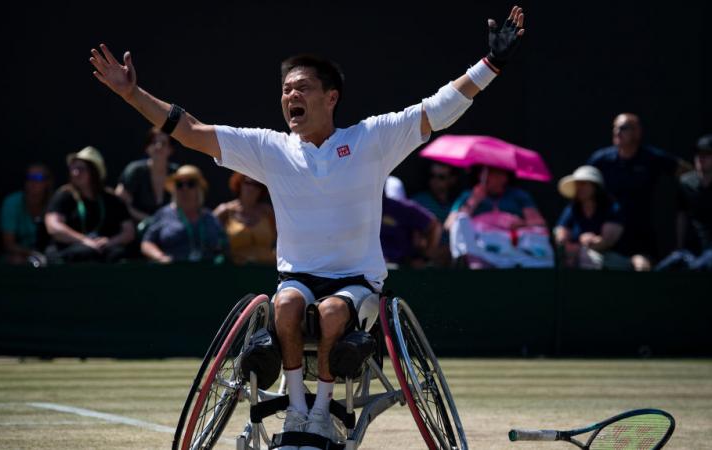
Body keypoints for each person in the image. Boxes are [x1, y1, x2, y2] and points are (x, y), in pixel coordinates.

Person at [90, 5, 524, 447]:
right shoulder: (270, 148)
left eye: (301, 88)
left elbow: (440, 108)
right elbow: (191, 131)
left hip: (357, 282)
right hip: (296, 277)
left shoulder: (370, 139)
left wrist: (492, 64)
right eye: (285, 90)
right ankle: (298, 411)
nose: (289, 96)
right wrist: (131, 94)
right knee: (285, 307)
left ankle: (323, 414)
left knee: (334, 311)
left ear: (330, 97)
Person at [587, 113, 693, 270]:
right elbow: (583, 185)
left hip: (640, 235)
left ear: (637, 132)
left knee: (642, 268)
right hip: (609, 234)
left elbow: (687, 172)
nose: (617, 132)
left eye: (623, 128)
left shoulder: (651, 158)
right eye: (615, 128)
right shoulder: (601, 159)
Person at [445, 165, 552, 268]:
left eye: (495, 173)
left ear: (505, 177)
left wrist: (520, 224)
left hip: (513, 251)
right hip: (479, 252)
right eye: (486, 172)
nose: (487, 177)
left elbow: (539, 223)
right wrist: (473, 201)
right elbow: (450, 225)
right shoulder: (468, 196)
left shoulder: (518, 196)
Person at [44, 146, 135, 263]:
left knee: (118, 254)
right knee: (85, 253)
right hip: (70, 251)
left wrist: (109, 242)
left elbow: (129, 232)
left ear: (94, 171)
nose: (75, 173)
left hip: (102, 251)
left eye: (81, 169)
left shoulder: (111, 199)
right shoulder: (64, 195)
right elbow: (53, 227)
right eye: (73, 168)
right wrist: (84, 240)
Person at [141, 165, 228, 263]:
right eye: (179, 185)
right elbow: (146, 242)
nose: (185, 189)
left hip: (206, 271)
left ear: (198, 189)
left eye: (190, 184)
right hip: (173, 271)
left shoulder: (209, 217)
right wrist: (160, 257)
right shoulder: (164, 214)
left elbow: (223, 244)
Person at [554, 165, 631, 269]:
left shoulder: (612, 208)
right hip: (575, 258)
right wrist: (563, 240)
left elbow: (607, 241)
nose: (579, 188)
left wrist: (590, 242)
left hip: (610, 259)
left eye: (584, 184)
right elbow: (561, 231)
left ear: (595, 187)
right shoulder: (573, 208)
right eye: (577, 184)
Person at [656, 135, 712, 271]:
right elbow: (681, 215)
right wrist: (680, 247)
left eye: (707, 154)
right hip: (690, 252)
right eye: (698, 153)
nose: (701, 158)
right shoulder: (686, 183)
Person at [115, 127, 179, 223]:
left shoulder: (177, 173)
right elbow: (121, 203)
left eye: (163, 143)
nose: (158, 146)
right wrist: (148, 220)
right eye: (154, 142)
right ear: (147, 148)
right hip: (138, 230)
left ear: (170, 149)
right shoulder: (135, 171)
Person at [214, 172, 276, 265]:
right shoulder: (225, 211)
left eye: (257, 185)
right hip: (235, 272)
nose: (252, 188)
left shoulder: (268, 212)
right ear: (239, 183)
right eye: (247, 183)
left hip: (267, 270)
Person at [0, 163, 53, 265]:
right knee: (16, 260)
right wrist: (33, 254)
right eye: (29, 178)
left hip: (49, 257)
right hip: (19, 258)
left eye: (38, 178)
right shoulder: (11, 202)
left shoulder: (54, 203)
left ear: (47, 182)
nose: (33, 182)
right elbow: (9, 244)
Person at [411, 162, 461, 265]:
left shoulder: (458, 204)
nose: (435, 181)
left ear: (452, 180)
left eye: (441, 177)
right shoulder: (418, 202)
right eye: (432, 176)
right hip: (423, 262)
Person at [380, 191, 441, 268]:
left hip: (402, 267)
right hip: (370, 268)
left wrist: (425, 258)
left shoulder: (400, 207)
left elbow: (434, 225)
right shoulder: (364, 210)